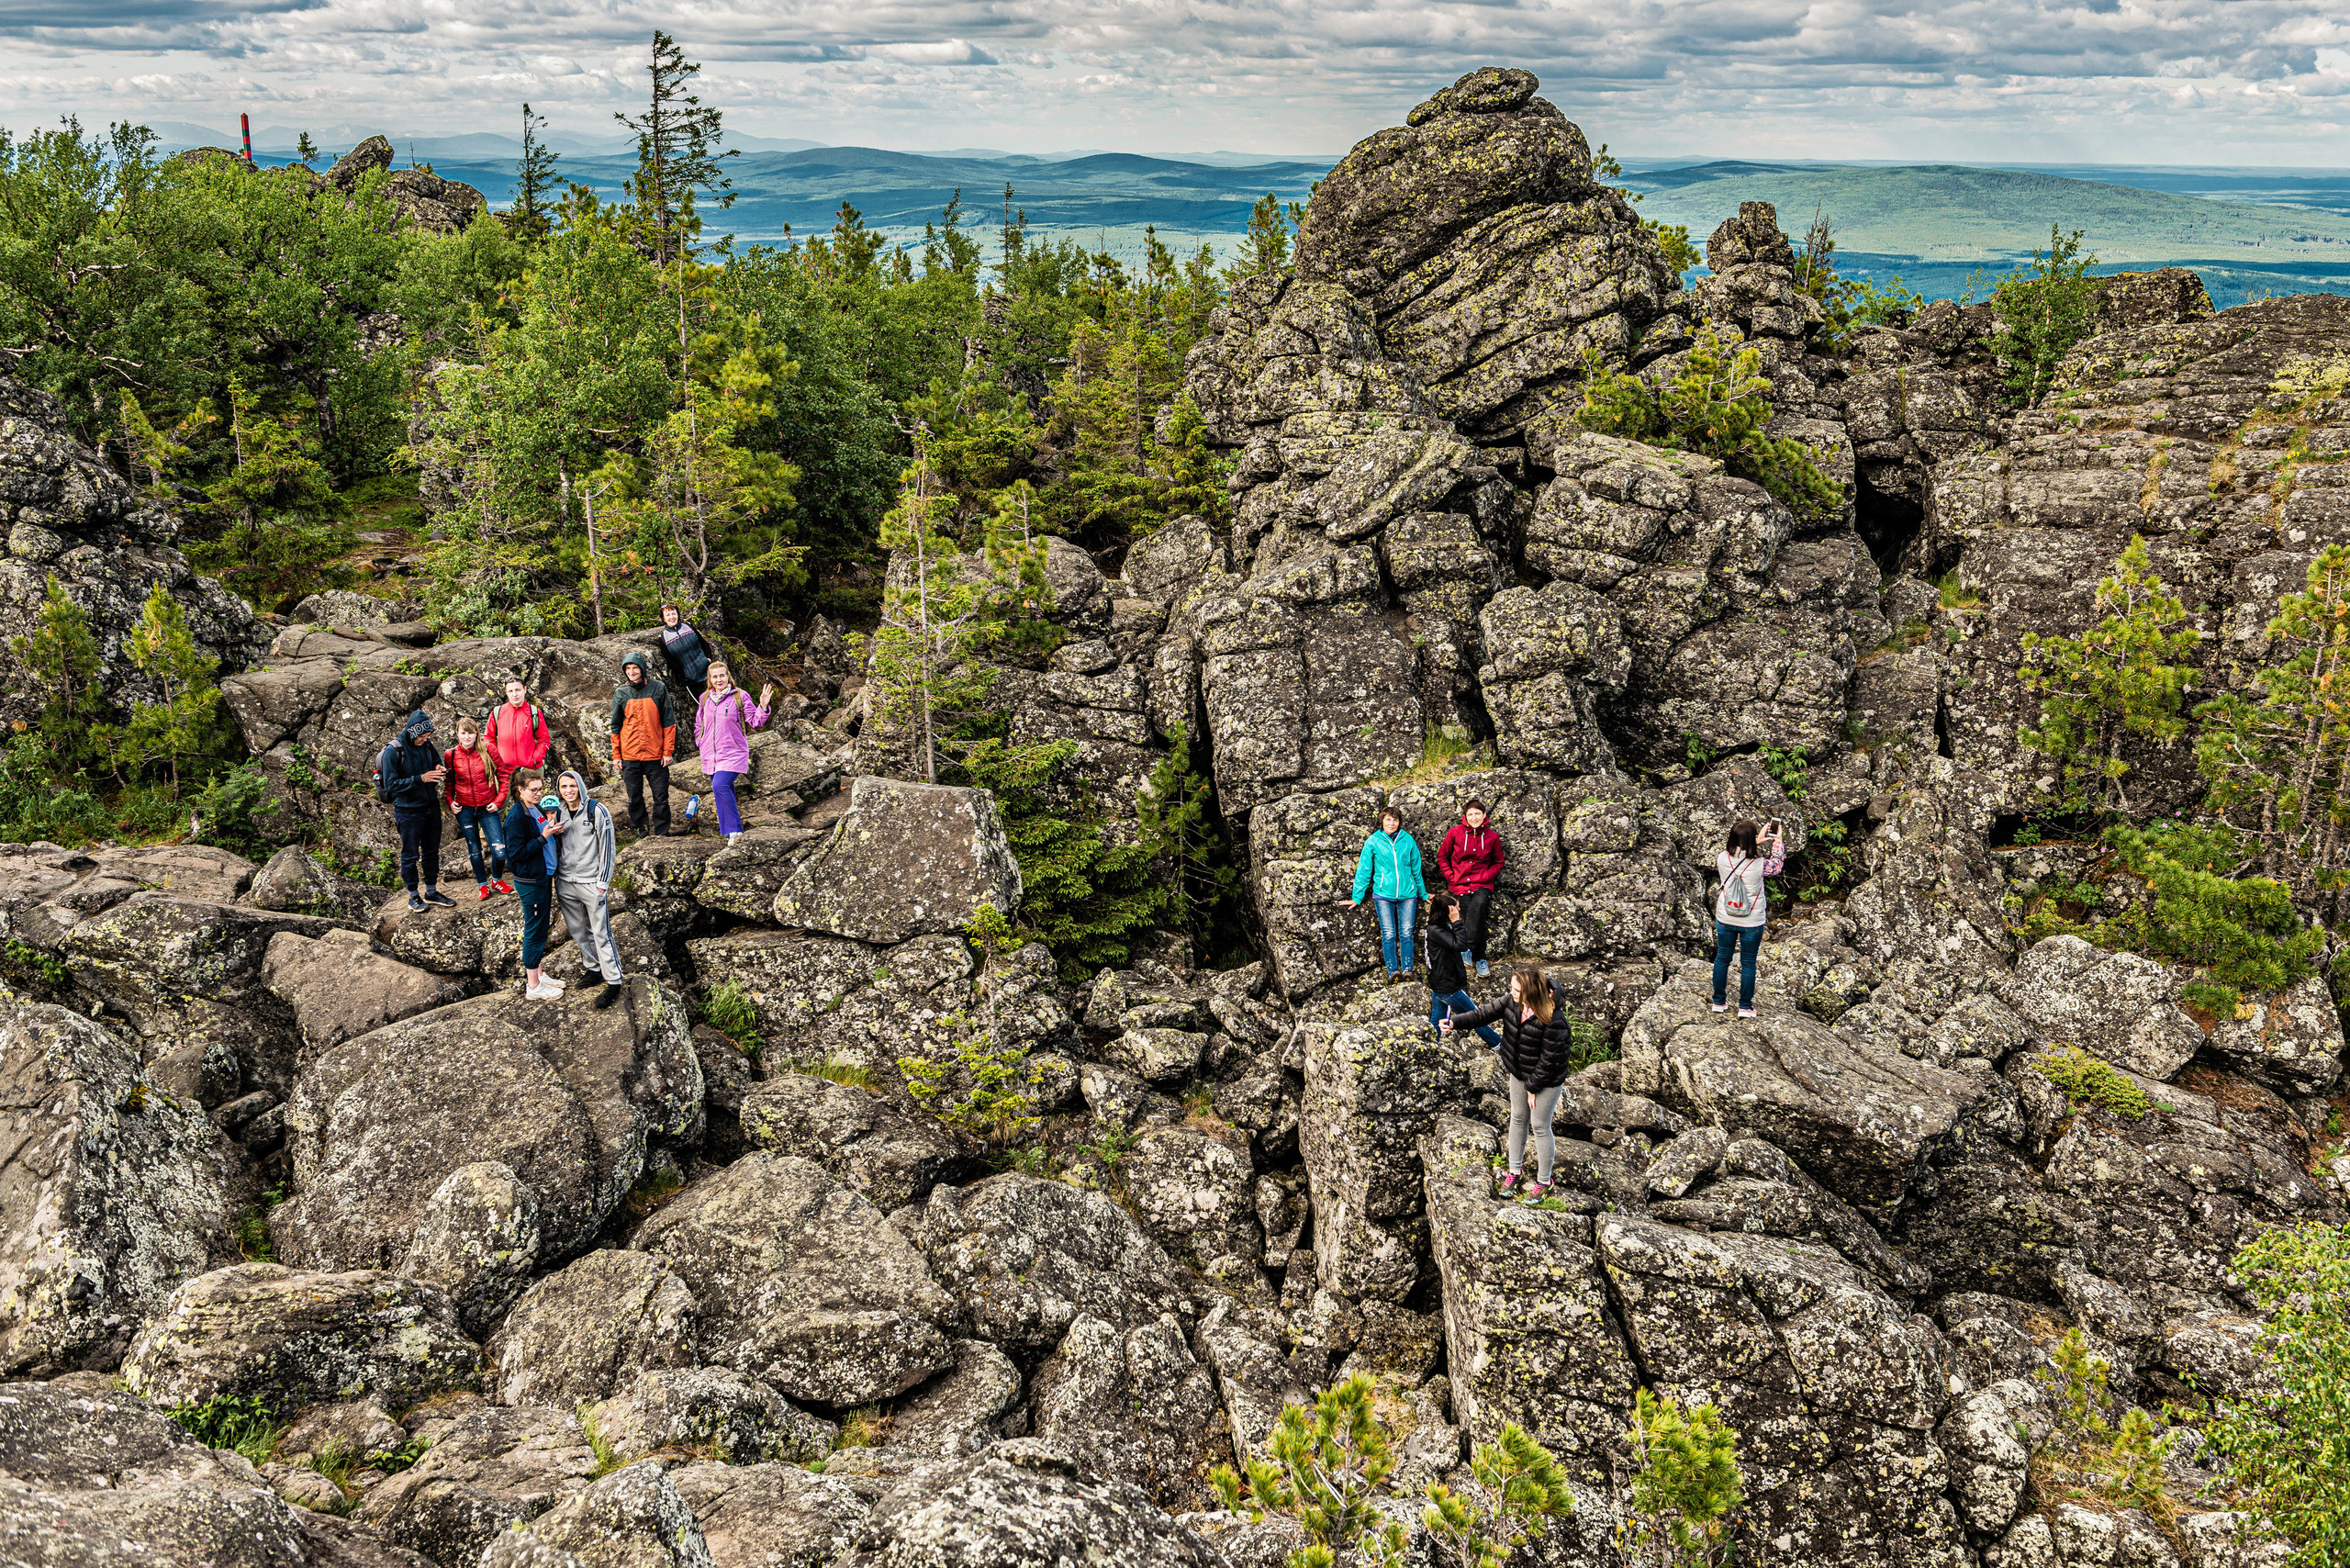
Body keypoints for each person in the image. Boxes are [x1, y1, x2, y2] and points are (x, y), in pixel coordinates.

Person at [1441, 965, 1577, 1203]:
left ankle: (1544, 1181)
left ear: (1531, 992)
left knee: (1540, 1125)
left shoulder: (1554, 1018)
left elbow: (1549, 1059)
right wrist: (1454, 1023)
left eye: (1516, 989)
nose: (1511, 992)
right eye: (1511, 988)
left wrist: (1532, 1088)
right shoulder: (1511, 1002)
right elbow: (1481, 1014)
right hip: (1519, 1071)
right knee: (1517, 1118)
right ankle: (1515, 1172)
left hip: (1547, 1078)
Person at [553, 768, 626, 1010]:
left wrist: (602, 882)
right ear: (559, 790)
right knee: (578, 931)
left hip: (591, 882)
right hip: (565, 881)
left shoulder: (596, 809)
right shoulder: (557, 811)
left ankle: (614, 981)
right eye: (564, 787)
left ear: (580, 786)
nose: (568, 791)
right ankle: (593, 969)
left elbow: (607, 847)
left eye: (572, 785)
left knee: (601, 932)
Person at [380, 710, 455, 913]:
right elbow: (390, 784)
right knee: (410, 855)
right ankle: (413, 896)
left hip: (430, 807)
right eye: (422, 736)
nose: (425, 739)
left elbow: (436, 761)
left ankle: (431, 891)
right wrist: (420, 778)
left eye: (427, 736)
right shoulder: (393, 751)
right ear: (412, 732)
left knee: (432, 851)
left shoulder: (426, 744)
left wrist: (439, 769)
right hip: (408, 812)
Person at [501, 767, 565, 1001]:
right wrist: (543, 838)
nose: (539, 794)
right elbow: (515, 855)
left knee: (541, 927)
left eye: (541, 789)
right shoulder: (516, 817)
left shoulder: (534, 808)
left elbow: (542, 834)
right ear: (521, 790)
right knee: (534, 931)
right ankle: (533, 986)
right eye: (534, 790)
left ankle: (538, 974)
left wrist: (552, 831)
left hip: (543, 875)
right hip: (531, 881)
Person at [1713, 818, 1786, 1019]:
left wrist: (1756, 841)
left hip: (1726, 916)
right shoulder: (1760, 864)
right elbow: (1777, 865)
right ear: (1751, 840)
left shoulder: (1721, 858)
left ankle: (1718, 1001)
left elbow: (1739, 853)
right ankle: (1745, 1006)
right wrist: (1777, 840)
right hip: (1751, 921)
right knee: (1748, 963)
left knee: (1722, 959)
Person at [696, 661, 774, 846]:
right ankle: (728, 833)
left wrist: (762, 707)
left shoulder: (740, 696)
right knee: (724, 789)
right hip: (710, 754)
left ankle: (735, 831)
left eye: (722, 675)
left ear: (728, 675)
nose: (719, 679)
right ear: (710, 679)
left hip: (733, 752)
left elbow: (755, 722)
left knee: (720, 786)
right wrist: (699, 742)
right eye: (715, 676)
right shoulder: (705, 698)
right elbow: (699, 724)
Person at [1350, 805, 1427, 980]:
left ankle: (1407, 969)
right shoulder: (1373, 841)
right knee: (1389, 934)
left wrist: (1423, 894)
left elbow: (1416, 869)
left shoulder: (1407, 840)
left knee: (1407, 933)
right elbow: (1364, 870)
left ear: (1399, 822)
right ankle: (1393, 971)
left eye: (1395, 820)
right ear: (1382, 821)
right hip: (1383, 895)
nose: (1392, 823)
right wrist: (1357, 897)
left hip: (1408, 895)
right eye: (1388, 819)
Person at [608, 651, 677, 837]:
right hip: (630, 756)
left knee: (661, 797)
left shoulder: (658, 688)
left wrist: (667, 751)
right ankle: (641, 832)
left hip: (656, 755)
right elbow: (615, 725)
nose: (632, 672)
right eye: (628, 669)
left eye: (635, 668)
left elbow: (668, 721)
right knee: (634, 798)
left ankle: (662, 833)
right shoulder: (621, 693)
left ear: (642, 669)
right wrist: (616, 755)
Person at [1437, 798, 1505, 978]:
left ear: (1484, 816)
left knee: (1480, 905)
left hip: (1482, 884)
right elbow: (1442, 857)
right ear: (1465, 817)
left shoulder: (1492, 837)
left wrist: (1485, 876)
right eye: (1470, 814)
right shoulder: (1454, 833)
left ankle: (1468, 950)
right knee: (1472, 915)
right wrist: (1451, 876)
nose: (1474, 817)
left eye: (1477, 814)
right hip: (1459, 884)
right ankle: (1480, 958)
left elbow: (1498, 862)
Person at [445, 717, 509, 900]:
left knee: (499, 850)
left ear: (477, 734)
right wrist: (450, 801)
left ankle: (496, 879)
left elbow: (504, 776)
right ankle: (482, 885)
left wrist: (498, 801)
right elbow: (448, 783)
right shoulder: (450, 755)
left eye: (470, 733)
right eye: (463, 733)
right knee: (474, 850)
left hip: (487, 807)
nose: (467, 737)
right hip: (464, 810)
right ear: (457, 734)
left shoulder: (489, 750)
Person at [1425, 892, 1501, 1047]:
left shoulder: (1438, 927)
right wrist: (1457, 922)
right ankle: (1498, 1044)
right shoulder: (1436, 931)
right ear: (1448, 911)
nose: (1459, 911)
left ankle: (1432, 1045)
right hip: (1447, 986)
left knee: (1437, 1018)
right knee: (1476, 1017)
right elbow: (1461, 945)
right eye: (1456, 909)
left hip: (1440, 984)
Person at [486, 678, 553, 797]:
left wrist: (534, 759)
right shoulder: (498, 712)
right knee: (498, 807)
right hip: (504, 771)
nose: (514, 694)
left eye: (518, 690)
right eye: (510, 691)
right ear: (506, 692)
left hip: (531, 770)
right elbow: (488, 738)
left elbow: (544, 739)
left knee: (532, 806)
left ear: (525, 690)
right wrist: (497, 758)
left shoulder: (534, 713)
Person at [659, 604, 712, 702]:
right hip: (692, 680)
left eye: (673, 614)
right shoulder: (663, 638)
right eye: (668, 615)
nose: (672, 617)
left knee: (721, 702)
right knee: (705, 706)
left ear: (678, 615)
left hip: (709, 672)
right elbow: (671, 661)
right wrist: (684, 675)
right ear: (663, 619)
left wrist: (708, 659)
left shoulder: (688, 627)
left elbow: (704, 643)